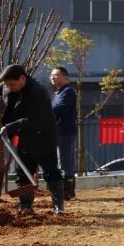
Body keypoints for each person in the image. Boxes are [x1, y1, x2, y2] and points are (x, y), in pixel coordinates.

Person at [0, 64, 64, 214]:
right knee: (23, 173)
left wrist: (9, 127)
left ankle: (58, 207)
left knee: (51, 172)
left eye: (12, 84)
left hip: (43, 136)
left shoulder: (38, 92)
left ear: (23, 78)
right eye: (6, 84)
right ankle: (25, 207)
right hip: (24, 137)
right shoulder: (8, 86)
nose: (9, 87)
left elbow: (34, 120)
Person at [50, 66, 78, 200]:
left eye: (56, 75)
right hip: (59, 132)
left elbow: (59, 108)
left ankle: (68, 192)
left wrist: (46, 107)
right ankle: (67, 191)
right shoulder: (58, 93)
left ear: (65, 78)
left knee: (66, 162)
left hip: (65, 132)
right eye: (51, 75)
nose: (52, 77)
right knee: (63, 161)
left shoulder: (68, 91)